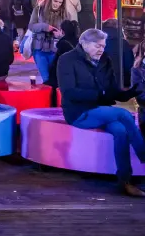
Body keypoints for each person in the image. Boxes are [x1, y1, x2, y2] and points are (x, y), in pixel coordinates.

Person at [57, 28, 145, 197]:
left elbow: (111, 90)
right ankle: (143, 154)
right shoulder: (67, 59)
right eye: (98, 46)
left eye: (103, 46)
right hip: (79, 112)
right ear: (84, 44)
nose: (101, 50)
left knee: (120, 130)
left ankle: (125, 181)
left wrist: (128, 93)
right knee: (124, 114)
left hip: (101, 109)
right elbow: (69, 92)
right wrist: (99, 94)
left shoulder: (105, 60)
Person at [29, 0, 69, 83]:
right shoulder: (38, 10)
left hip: (55, 50)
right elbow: (31, 26)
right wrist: (44, 26)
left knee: (55, 78)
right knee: (46, 78)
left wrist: (60, 35)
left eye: (60, 2)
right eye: (55, 1)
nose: (57, 4)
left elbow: (68, 34)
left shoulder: (65, 14)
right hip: (39, 48)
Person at [46, 20, 79, 107]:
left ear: (62, 31)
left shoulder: (63, 43)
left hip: (62, 76)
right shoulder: (79, 41)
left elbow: (57, 63)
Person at [102, 18, 135, 89]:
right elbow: (129, 65)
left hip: (99, 81)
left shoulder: (95, 41)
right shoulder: (123, 43)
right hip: (119, 81)